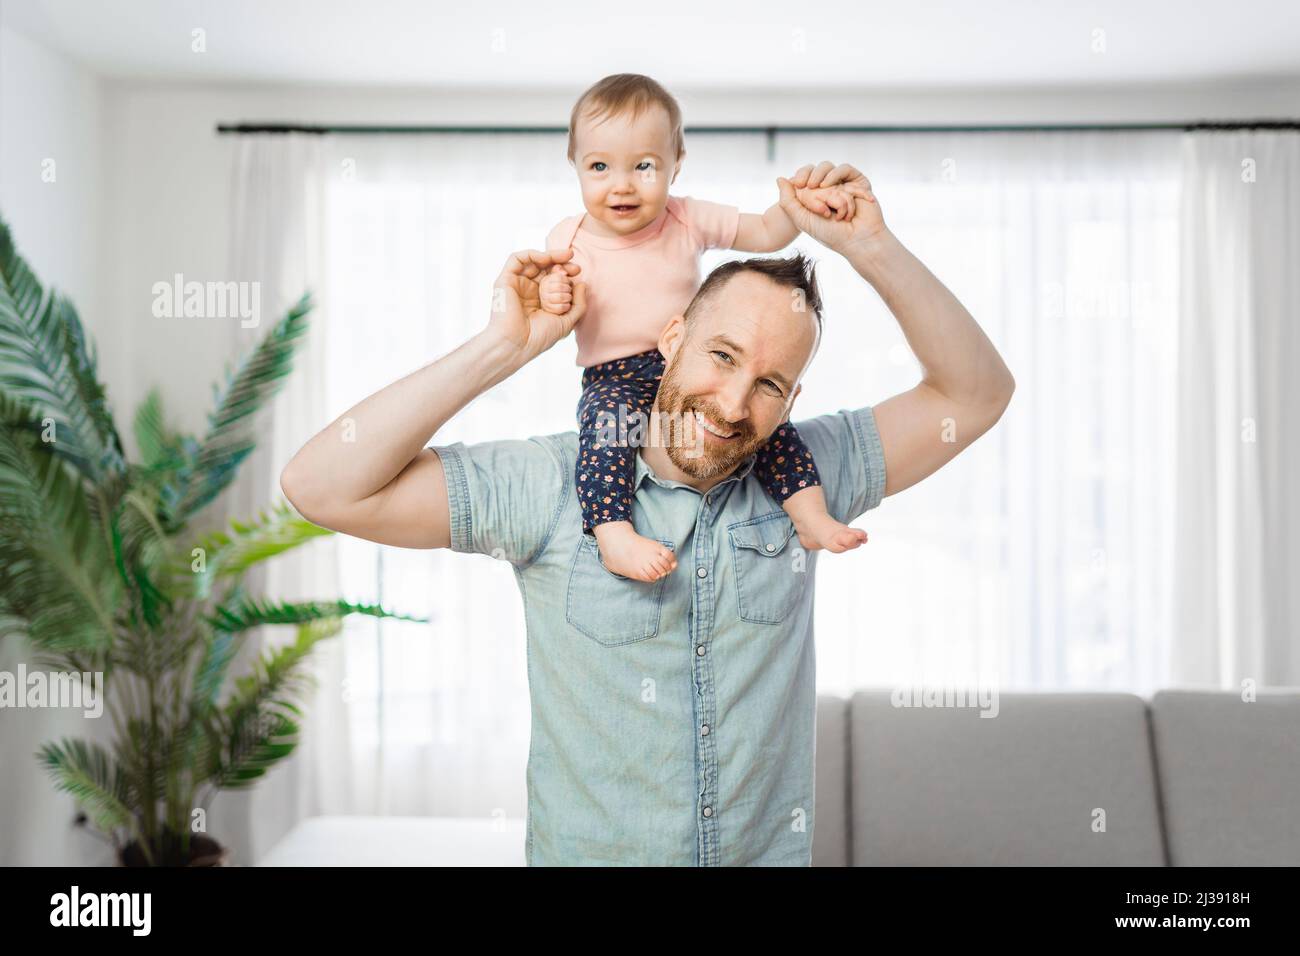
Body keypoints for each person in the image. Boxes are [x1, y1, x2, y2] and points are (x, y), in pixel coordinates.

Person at [280, 161, 1016, 866]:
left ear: (792, 403)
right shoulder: (550, 483)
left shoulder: (810, 476)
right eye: (721, 356)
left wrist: (871, 247)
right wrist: (501, 348)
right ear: (671, 341)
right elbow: (323, 487)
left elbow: (975, 395)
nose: (732, 405)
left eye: (768, 384)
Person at [541, 73, 866, 581]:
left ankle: (810, 515)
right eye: (600, 166)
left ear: (676, 166)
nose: (622, 184)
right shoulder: (571, 236)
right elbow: (551, 295)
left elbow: (763, 231)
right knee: (608, 432)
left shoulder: (686, 217)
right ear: (575, 167)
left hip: (691, 364)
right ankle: (613, 533)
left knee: (772, 430)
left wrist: (796, 207)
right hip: (614, 374)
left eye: (644, 166)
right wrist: (552, 292)